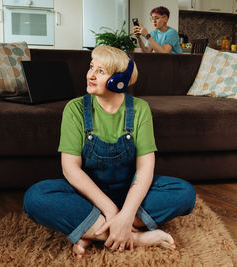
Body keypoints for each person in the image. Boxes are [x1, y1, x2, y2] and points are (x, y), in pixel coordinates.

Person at [23, 45, 195, 259]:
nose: (90, 75)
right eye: (91, 67)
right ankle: (134, 237)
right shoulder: (75, 109)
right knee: (35, 198)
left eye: (100, 71)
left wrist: (127, 211)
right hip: (88, 195)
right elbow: (70, 169)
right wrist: (113, 211)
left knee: (185, 193)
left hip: (130, 192)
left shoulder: (140, 109)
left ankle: (92, 230)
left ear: (118, 81)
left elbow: (145, 168)